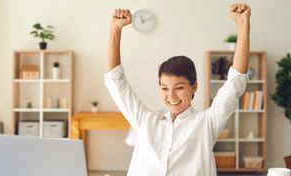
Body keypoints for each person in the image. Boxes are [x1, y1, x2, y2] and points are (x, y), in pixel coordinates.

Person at [105, 4, 251, 176]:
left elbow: (235, 82)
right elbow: (115, 81)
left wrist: (243, 24)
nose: (171, 96)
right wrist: (115, 28)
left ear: (194, 86)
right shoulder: (146, 121)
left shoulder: (207, 122)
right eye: (165, 88)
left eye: (179, 87)